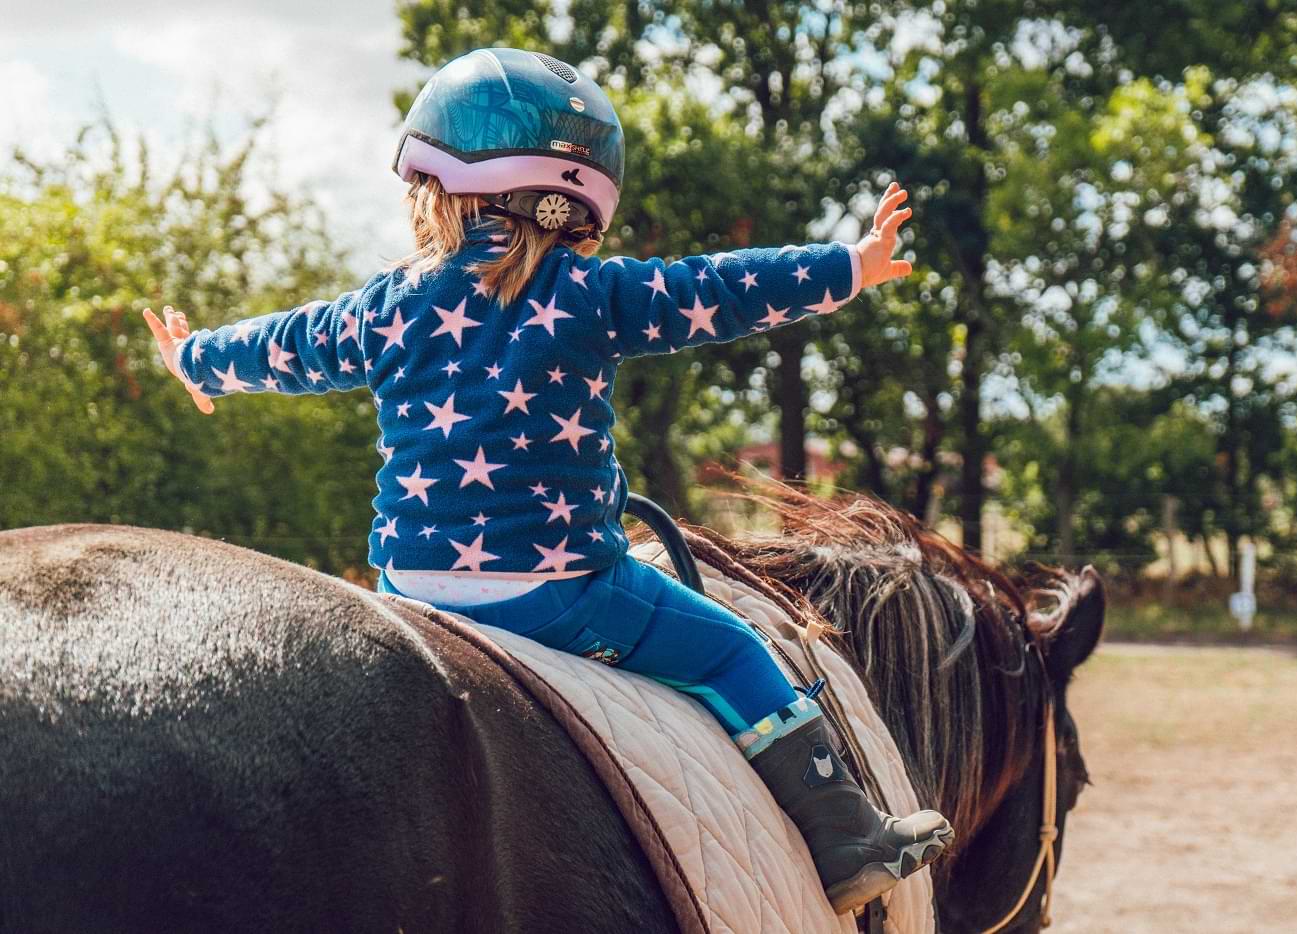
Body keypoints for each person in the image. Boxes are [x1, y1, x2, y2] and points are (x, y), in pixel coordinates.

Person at [143, 47, 951, 912]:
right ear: (579, 202)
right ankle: (846, 839)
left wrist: (197, 360)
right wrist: (851, 267)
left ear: (434, 186)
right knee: (731, 649)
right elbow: (720, 287)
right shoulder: (592, 293)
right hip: (561, 593)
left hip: (410, 594)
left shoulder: (386, 302)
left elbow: (291, 344)